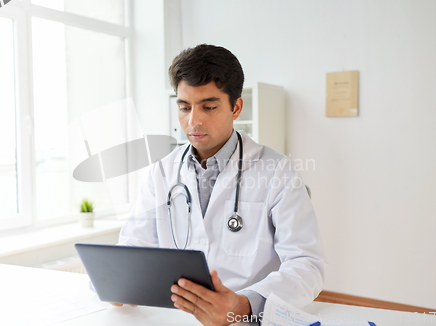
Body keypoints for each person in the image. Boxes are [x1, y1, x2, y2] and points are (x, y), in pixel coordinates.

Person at [116, 44, 327, 325]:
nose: (193, 121)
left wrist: (243, 305)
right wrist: (121, 280)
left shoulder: (277, 171)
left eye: (209, 106)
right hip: (174, 318)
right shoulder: (162, 172)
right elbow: (134, 244)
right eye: (184, 107)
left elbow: (307, 264)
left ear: (235, 107)